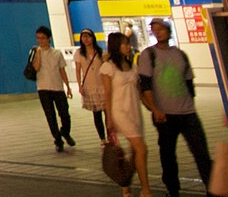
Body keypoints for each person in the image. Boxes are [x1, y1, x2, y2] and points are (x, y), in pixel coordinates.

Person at [138, 17, 211, 197]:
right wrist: (155, 109)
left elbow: (189, 83)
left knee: (202, 153)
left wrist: (190, 104)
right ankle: (172, 189)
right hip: (164, 114)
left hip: (187, 112)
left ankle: (212, 187)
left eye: (161, 28)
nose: (157, 32)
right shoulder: (148, 55)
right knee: (168, 154)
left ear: (168, 30)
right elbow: (145, 86)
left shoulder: (180, 54)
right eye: (154, 29)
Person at [102, 31, 154, 197]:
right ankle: (145, 189)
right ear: (116, 46)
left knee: (135, 150)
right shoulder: (108, 67)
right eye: (124, 43)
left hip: (134, 110)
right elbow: (107, 94)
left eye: (127, 43)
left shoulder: (132, 65)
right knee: (141, 148)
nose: (128, 46)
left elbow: (138, 90)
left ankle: (125, 184)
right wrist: (109, 118)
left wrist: (150, 106)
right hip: (120, 112)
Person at [31, 24, 75, 151]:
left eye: (43, 38)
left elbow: (62, 71)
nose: (40, 41)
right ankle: (58, 140)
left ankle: (65, 132)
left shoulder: (57, 53)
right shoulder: (35, 52)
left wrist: (68, 86)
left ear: (49, 38)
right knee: (50, 116)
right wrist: (38, 53)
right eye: (38, 38)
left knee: (65, 114)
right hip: (43, 88)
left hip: (58, 88)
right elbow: (36, 68)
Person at [75, 28, 107, 143]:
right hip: (90, 86)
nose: (86, 39)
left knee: (108, 113)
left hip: (102, 85)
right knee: (97, 114)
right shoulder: (79, 53)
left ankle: (110, 137)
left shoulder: (100, 52)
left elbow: (106, 69)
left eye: (88, 36)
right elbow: (78, 70)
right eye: (83, 37)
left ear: (93, 38)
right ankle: (102, 139)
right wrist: (79, 85)